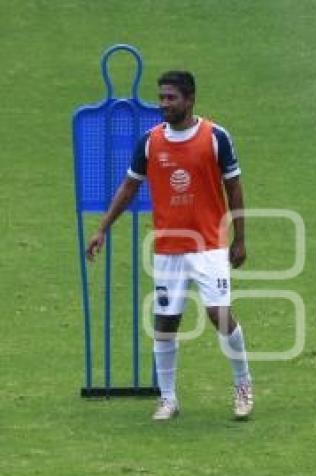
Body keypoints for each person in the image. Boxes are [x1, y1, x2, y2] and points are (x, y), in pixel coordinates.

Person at [86, 70, 254, 421]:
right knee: (165, 322)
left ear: (189, 99)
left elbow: (234, 188)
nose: (163, 104)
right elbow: (129, 188)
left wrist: (240, 237)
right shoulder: (150, 142)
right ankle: (168, 398)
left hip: (208, 243)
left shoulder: (216, 137)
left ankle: (243, 385)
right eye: (161, 97)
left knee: (218, 314)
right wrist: (103, 228)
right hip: (168, 247)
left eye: (170, 98)